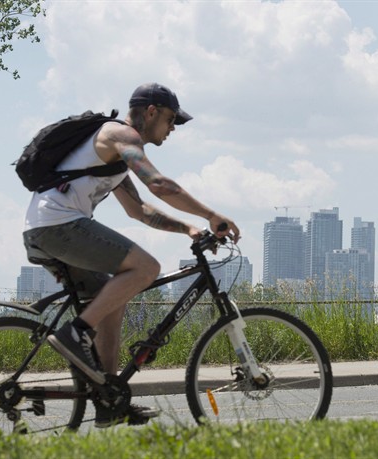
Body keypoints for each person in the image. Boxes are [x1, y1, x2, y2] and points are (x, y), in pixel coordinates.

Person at [22, 82, 240, 427]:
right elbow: (158, 184)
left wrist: (187, 228)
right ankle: (75, 332)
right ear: (151, 111)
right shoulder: (120, 135)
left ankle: (109, 396)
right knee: (146, 267)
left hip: (46, 229)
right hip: (58, 227)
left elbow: (139, 210)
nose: (171, 129)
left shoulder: (115, 158)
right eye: (170, 120)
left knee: (113, 296)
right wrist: (211, 215)